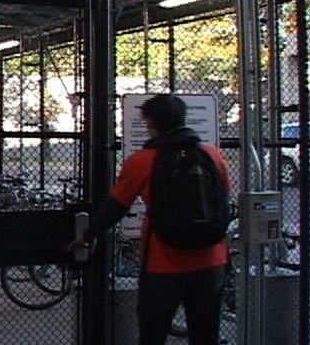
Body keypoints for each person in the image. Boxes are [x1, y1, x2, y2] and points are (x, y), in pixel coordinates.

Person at [69, 94, 231, 345]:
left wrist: (85, 236)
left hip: (163, 264)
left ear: (151, 122)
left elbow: (116, 207)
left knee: (153, 334)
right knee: (206, 334)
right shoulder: (213, 155)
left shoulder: (143, 161)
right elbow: (223, 199)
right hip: (212, 260)